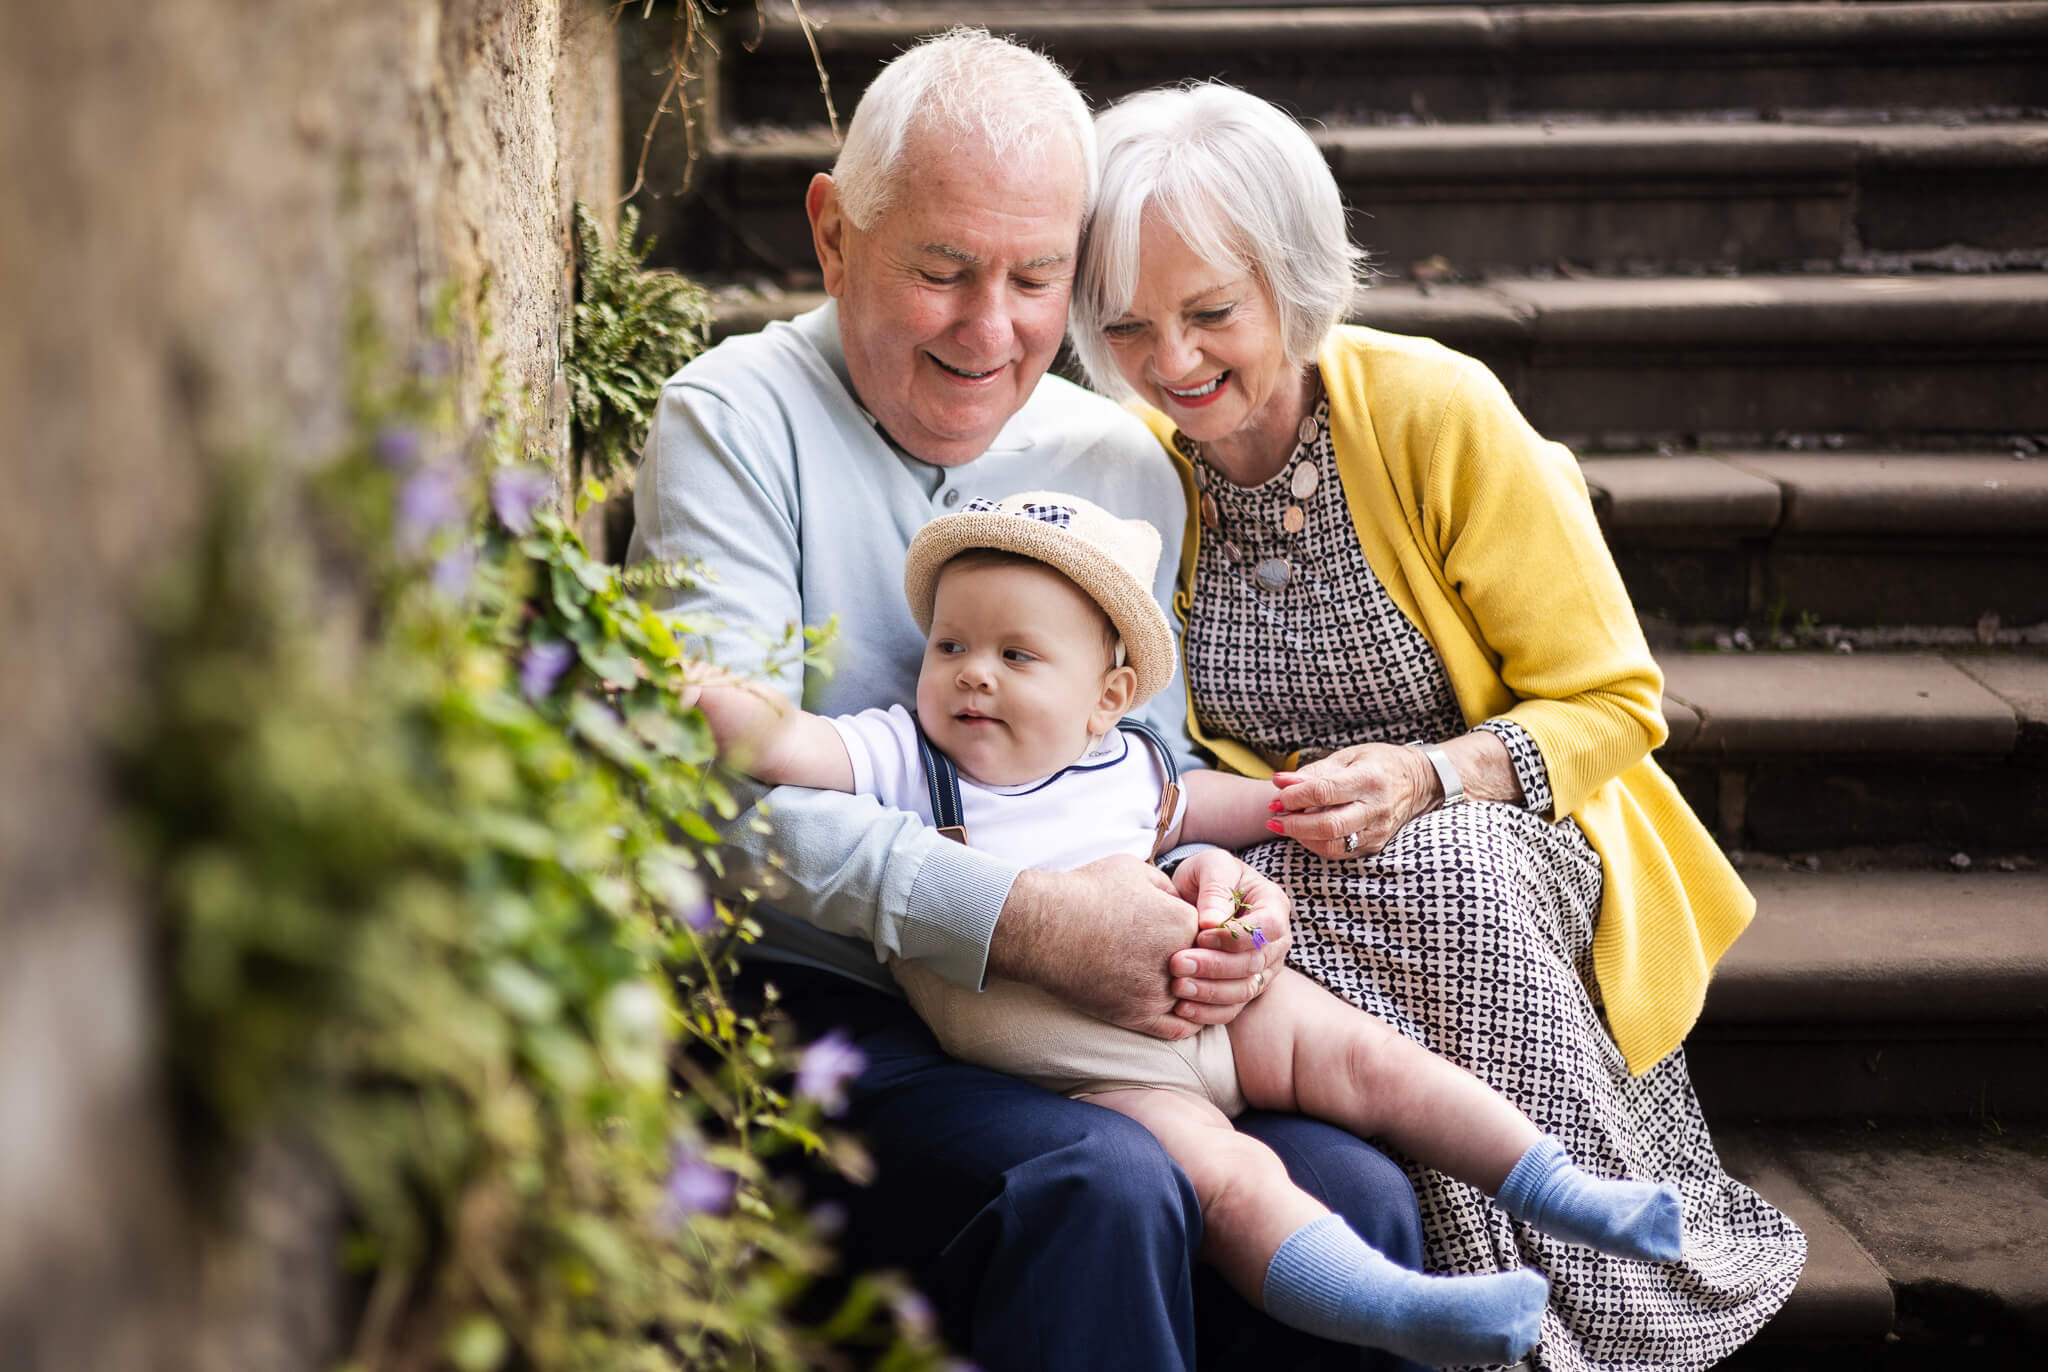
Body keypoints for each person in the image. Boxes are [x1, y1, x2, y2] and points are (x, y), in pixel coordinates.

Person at [625, 30, 1427, 1372]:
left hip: (1091, 1027)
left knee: (1364, 1200)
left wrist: (1219, 886)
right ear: (835, 233)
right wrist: (1016, 918)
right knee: (1097, 1191)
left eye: (1036, 279)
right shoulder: (733, 421)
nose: (989, 331)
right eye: (941, 271)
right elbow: (720, 811)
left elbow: (1145, 774)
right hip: (822, 1017)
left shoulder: (1117, 461)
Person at [1066, 82, 1809, 1371]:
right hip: (1276, 851)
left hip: (1500, 825)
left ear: (1292, 282)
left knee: (1439, 871)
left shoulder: (1434, 410)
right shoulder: (1133, 466)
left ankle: (1584, 1292)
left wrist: (1432, 771)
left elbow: (1615, 700)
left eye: (1210, 314)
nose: (1170, 362)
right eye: (1127, 324)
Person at [686, 489, 1698, 1368]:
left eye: (1014, 654)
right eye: (948, 645)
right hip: (1085, 1065)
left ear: (1107, 698)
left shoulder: (1129, 765)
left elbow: (1224, 806)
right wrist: (708, 706)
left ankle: (1567, 1187)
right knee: (1226, 1179)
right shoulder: (909, 756)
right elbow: (798, 748)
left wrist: (1284, 812)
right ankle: (1394, 1305)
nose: (969, 674)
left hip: (1209, 998)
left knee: (1376, 1062)